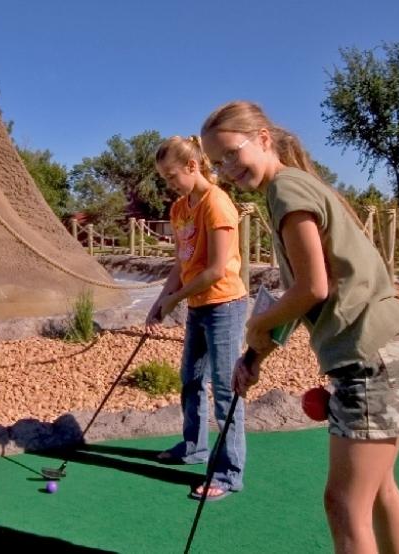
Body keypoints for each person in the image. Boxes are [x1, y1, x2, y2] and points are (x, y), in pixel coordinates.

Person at [200, 100, 399, 553]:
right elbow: (301, 298)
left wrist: (254, 327)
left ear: (264, 139)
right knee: (380, 489)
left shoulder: (286, 190)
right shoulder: (293, 188)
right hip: (393, 348)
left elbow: (313, 288)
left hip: (371, 358)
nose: (228, 168)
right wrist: (255, 357)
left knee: (344, 505)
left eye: (232, 153)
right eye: (217, 163)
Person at [145, 135, 248, 502]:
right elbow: (183, 264)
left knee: (224, 390)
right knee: (190, 379)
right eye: (165, 178)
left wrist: (175, 299)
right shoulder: (179, 208)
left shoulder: (217, 204)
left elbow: (216, 270)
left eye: (172, 176)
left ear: (193, 166)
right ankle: (194, 447)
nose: (169, 184)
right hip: (198, 306)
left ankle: (229, 472)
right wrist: (161, 300)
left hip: (224, 305)